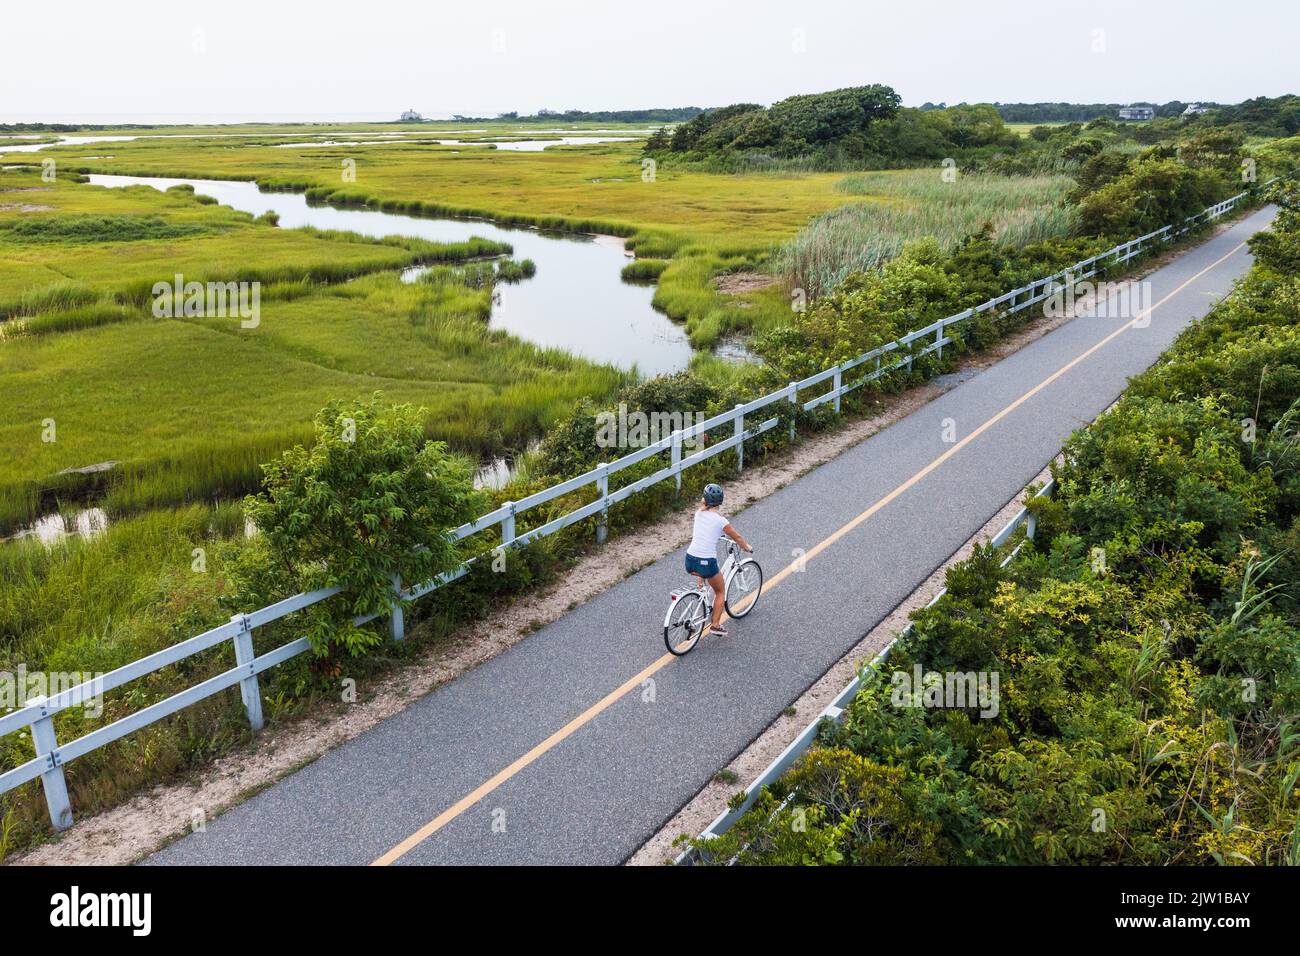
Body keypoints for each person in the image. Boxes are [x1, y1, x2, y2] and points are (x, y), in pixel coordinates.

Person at [685, 483, 751, 636]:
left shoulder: (698, 514)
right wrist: (745, 547)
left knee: (702, 563)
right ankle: (715, 625)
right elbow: (737, 537)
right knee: (720, 591)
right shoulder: (720, 521)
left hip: (689, 560)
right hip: (706, 563)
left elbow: (705, 533)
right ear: (720, 501)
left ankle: (701, 586)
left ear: (705, 499)